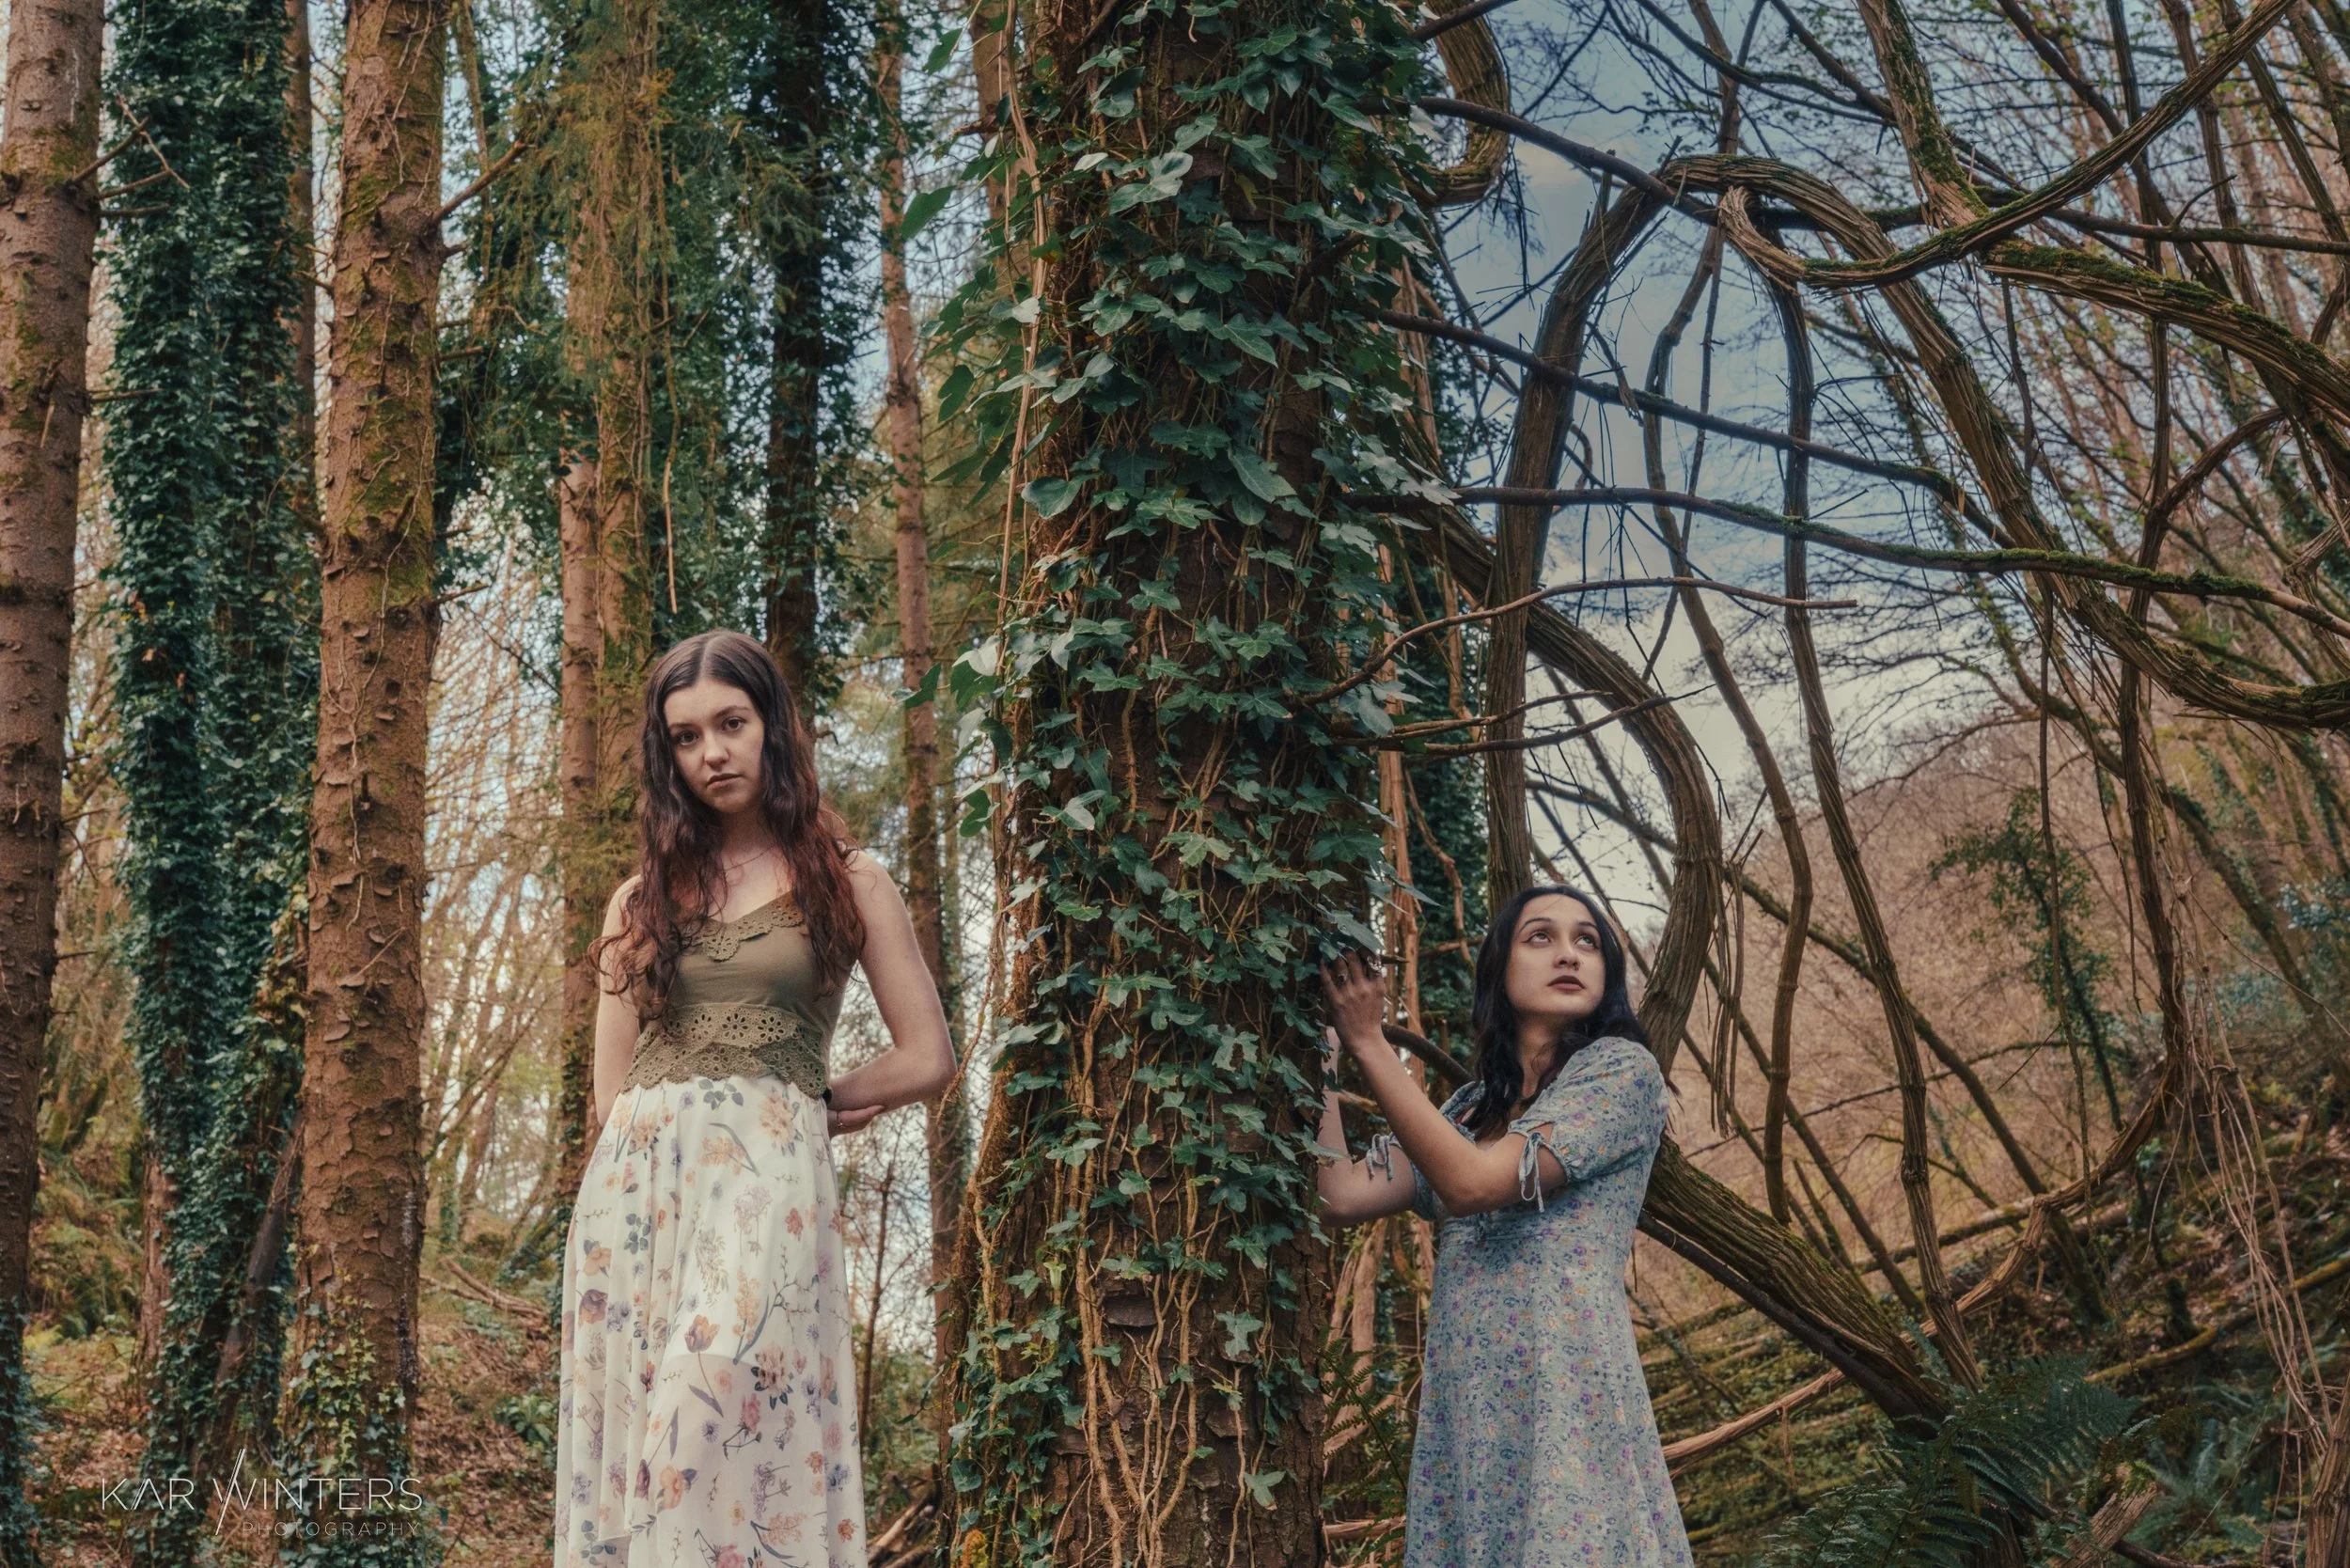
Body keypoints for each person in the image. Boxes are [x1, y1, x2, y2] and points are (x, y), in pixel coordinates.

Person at [554, 629, 957, 1568]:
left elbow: (927, 1056)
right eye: (686, 737)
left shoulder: (850, 879)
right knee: (640, 1437)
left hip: (767, 1182)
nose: (713, 753)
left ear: (773, 725)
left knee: (704, 1400)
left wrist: (816, 1098)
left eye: (731, 724)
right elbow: (611, 1093)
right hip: (635, 1197)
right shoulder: (639, 901)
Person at [1317, 884, 1693, 1568]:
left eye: (1587, 942)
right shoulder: (1466, 1111)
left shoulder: (1620, 1074)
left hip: (1567, 1396)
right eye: (1540, 936)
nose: (1569, 954)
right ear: (1500, 968)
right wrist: (1321, 1050)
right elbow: (1338, 1195)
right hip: (1473, 1414)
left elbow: (1472, 1184)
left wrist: (1370, 1043)